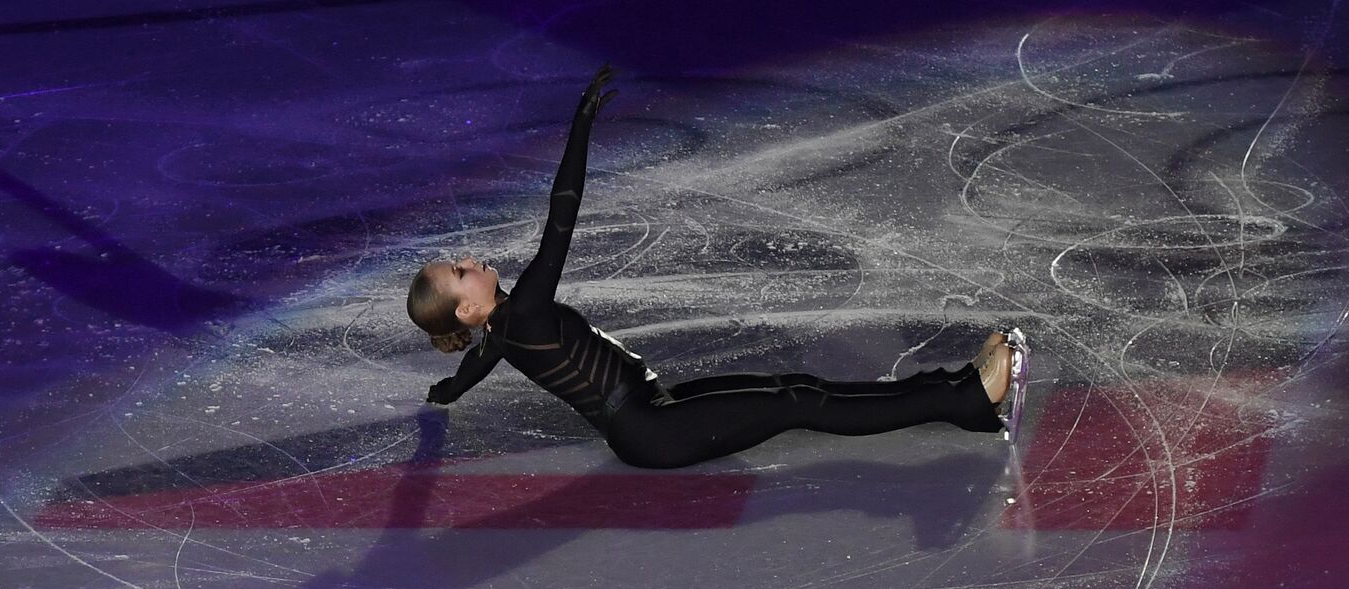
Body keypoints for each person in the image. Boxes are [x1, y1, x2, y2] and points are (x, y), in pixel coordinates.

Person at [406, 64, 1030, 469]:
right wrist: (581, 127)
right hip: (654, 428)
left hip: (653, 411)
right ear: (468, 306)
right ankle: (966, 397)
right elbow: (561, 215)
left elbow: (476, 361)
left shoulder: (502, 330)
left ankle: (954, 388)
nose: (469, 260)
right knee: (799, 400)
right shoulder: (527, 309)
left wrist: (446, 393)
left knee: (796, 388)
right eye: (459, 271)